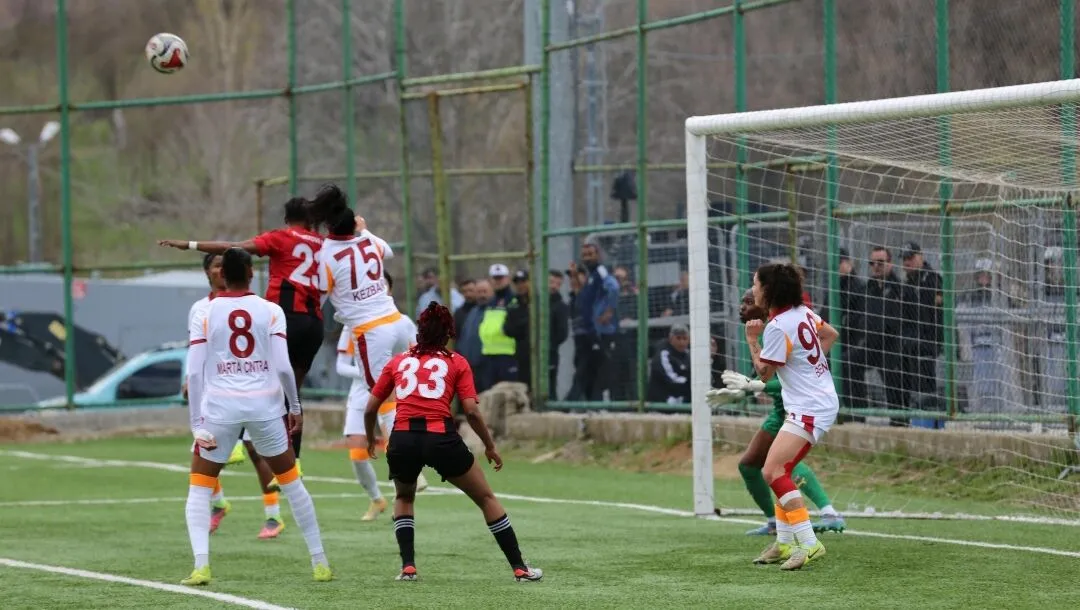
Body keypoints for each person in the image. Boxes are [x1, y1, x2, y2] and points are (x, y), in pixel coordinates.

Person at [363, 302, 543, 583]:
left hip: (404, 438)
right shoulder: (456, 362)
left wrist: (369, 438)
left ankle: (408, 567)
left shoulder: (398, 361)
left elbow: (370, 408)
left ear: (419, 332)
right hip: (440, 438)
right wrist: (490, 446)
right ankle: (520, 568)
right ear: (448, 333)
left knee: (404, 496)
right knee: (486, 498)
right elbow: (471, 410)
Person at [183, 248, 332, 585]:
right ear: (252, 273)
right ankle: (319, 562)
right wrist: (295, 407)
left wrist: (196, 423)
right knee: (292, 483)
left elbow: (194, 373)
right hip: (265, 407)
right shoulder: (270, 310)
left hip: (220, 408)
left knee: (200, 488)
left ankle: (201, 566)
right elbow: (282, 366)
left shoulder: (204, 312)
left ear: (222, 275)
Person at [160, 196, 325, 463]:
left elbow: (233, 248)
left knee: (253, 372)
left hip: (287, 317)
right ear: (311, 220)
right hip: (315, 322)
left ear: (286, 219)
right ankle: (293, 460)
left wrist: (189, 244)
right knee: (292, 389)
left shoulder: (280, 237)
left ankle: (236, 440)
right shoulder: (324, 244)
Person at [313, 184, 415, 523]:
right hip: (399, 321)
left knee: (382, 395)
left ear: (328, 228)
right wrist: (364, 228)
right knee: (417, 381)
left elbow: (320, 297)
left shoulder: (326, 255)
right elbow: (388, 252)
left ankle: (405, 459)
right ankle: (432, 431)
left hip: (372, 331)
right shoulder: (369, 240)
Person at [708, 289, 845, 537]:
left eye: (749, 301)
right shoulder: (785, 322)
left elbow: (768, 375)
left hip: (800, 407)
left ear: (766, 304)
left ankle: (820, 521)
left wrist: (753, 385)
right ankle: (779, 526)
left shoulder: (778, 326)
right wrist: (745, 390)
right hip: (784, 408)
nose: (742, 307)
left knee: (777, 467)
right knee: (752, 465)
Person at [742, 263, 839, 570]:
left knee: (772, 471)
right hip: (814, 401)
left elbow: (764, 371)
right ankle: (785, 542)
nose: (753, 289)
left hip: (810, 406)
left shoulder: (777, 326)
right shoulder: (804, 313)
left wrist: (752, 340)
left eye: (756, 284)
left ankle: (809, 543)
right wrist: (810, 367)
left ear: (769, 290)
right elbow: (830, 335)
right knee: (779, 469)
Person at [184, 253, 286, 540]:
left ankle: (273, 515)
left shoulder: (257, 307)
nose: (220, 270)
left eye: (223, 266)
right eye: (215, 266)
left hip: (252, 392)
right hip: (215, 394)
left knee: (257, 452)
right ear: (208, 272)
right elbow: (194, 351)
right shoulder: (200, 309)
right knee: (203, 449)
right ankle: (218, 504)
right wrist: (188, 379)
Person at [336, 271, 429, 520]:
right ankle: (377, 500)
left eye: (382, 286)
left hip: (394, 390)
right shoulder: (355, 323)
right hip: (361, 391)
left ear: (388, 290)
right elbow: (340, 365)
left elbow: (415, 357)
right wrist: (370, 373)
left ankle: (405, 498)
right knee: (357, 453)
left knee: (394, 441)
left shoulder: (403, 322)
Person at [568, 241, 619, 401]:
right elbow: (585, 294)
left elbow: (614, 288)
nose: (588, 258)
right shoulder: (592, 276)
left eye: (591, 254)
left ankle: (571, 403)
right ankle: (588, 403)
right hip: (590, 329)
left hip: (600, 330)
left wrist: (609, 311)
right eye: (585, 255)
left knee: (593, 370)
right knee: (587, 369)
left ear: (598, 255)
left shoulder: (601, 271)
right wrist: (575, 275)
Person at [899, 242, 944, 423]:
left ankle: (930, 423)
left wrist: (922, 340)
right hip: (912, 343)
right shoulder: (909, 283)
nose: (907, 262)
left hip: (928, 343)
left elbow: (933, 317)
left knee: (926, 387)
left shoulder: (931, 280)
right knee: (912, 387)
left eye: (911, 258)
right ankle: (915, 421)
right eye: (905, 259)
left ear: (920, 256)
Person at [861, 245, 906, 411]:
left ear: (890, 263)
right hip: (871, 345)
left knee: (895, 387)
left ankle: (899, 422)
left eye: (880, 262)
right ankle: (855, 415)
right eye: (872, 263)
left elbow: (898, 322)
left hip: (891, 346)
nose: (876, 267)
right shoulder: (869, 288)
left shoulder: (898, 289)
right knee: (846, 363)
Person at [646, 325, 691, 404]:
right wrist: (690, 383)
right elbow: (670, 379)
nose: (682, 342)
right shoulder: (663, 354)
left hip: (681, 397)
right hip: (663, 399)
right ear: (671, 338)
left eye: (684, 338)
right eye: (678, 338)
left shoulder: (688, 354)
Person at [503, 269, 532, 388]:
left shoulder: (540, 301)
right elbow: (508, 329)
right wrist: (526, 322)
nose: (520, 285)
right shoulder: (513, 303)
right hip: (520, 353)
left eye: (524, 281)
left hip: (538, 354)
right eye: (517, 283)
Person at [547, 270, 570, 396]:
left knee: (550, 384)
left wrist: (551, 345)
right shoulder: (537, 302)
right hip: (532, 351)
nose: (553, 286)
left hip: (550, 352)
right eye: (551, 282)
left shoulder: (560, 306)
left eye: (557, 283)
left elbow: (562, 333)